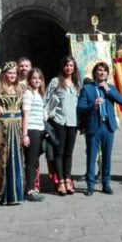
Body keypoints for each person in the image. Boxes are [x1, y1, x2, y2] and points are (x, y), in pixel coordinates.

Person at [77, 62, 122, 196]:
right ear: (94, 73)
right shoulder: (87, 89)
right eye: (99, 70)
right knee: (92, 157)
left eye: (104, 71)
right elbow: (80, 109)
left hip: (108, 126)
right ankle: (90, 185)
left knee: (107, 157)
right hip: (94, 127)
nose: (102, 73)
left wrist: (108, 91)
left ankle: (106, 184)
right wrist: (93, 105)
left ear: (107, 74)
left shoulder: (110, 87)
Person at [0, 61, 26, 206]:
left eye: (14, 73)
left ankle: (16, 193)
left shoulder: (21, 88)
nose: (12, 76)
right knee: (1, 159)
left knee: (16, 159)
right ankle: (0, 193)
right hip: (2, 127)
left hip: (17, 127)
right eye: (9, 73)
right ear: (4, 74)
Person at [45, 55, 81, 195]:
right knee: (59, 153)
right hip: (59, 121)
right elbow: (46, 100)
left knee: (68, 153)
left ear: (74, 67)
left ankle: (67, 178)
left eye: (71, 65)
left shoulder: (77, 83)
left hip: (73, 122)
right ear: (62, 67)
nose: (69, 68)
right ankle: (60, 181)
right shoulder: (55, 81)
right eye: (66, 65)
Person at [21, 68, 47, 202]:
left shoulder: (39, 94)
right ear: (29, 80)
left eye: (39, 78)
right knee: (31, 162)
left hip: (40, 130)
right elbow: (26, 115)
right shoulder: (28, 94)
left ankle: (34, 188)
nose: (37, 80)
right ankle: (29, 190)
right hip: (31, 130)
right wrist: (25, 135)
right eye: (34, 78)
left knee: (35, 161)